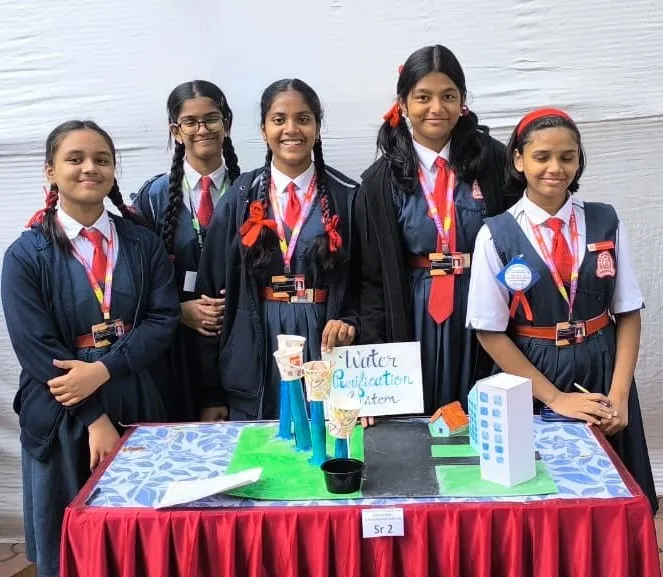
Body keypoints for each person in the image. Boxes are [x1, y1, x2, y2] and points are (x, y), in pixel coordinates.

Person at [1, 120, 180, 576]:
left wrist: (103, 370)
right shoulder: (26, 255)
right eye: (75, 159)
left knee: (142, 537)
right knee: (72, 550)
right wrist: (94, 418)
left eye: (101, 159)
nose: (89, 168)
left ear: (114, 169)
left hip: (137, 395)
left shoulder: (141, 242)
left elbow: (162, 319)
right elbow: (35, 346)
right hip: (62, 408)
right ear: (50, 171)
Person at [466, 107, 657, 512]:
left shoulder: (605, 221)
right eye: (542, 157)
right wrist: (554, 398)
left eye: (567, 157)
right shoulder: (496, 234)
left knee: (613, 495)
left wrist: (619, 395)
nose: (555, 168)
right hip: (533, 374)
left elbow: (627, 311)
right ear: (519, 160)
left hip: (602, 364)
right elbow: (489, 330)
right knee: (544, 495)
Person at [355, 45, 517, 423]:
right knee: (416, 427)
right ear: (402, 103)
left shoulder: (494, 162)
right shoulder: (379, 182)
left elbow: (519, 244)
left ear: (463, 100)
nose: (436, 108)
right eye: (423, 97)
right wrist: (373, 372)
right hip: (412, 311)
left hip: (481, 307)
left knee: (481, 419)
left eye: (448, 96)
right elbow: (372, 281)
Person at [195, 78, 358, 420]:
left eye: (303, 119)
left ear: (317, 127)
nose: (291, 129)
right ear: (263, 129)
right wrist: (210, 392)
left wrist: (350, 321)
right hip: (257, 341)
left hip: (323, 338)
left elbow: (368, 280)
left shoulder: (348, 196)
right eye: (279, 119)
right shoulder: (240, 197)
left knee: (324, 435)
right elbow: (210, 296)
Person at [132, 80, 240, 419]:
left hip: (241, 341)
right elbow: (136, 280)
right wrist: (178, 311)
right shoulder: (152, 198)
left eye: (211, 119)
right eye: (190, 122)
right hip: (176, 347)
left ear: (227, 123)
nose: (202, 129)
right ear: (176, 131)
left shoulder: (251, 189)